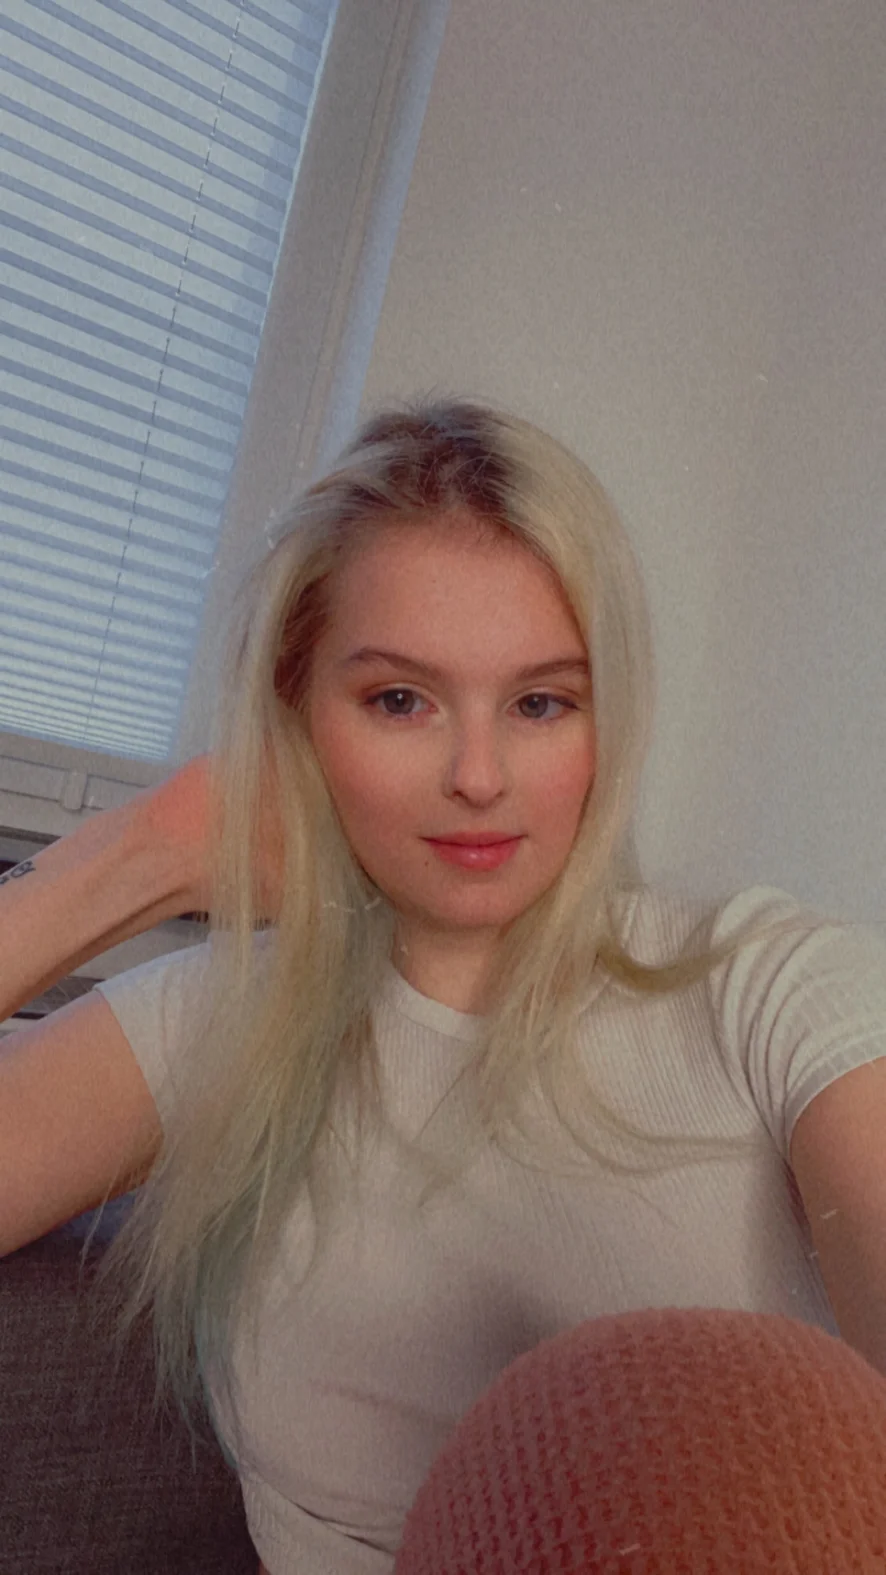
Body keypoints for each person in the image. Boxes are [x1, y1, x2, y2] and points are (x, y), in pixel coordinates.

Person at [1, 399, 885, 1574]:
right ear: (297, 715)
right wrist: (139, 854)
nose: (477, 776)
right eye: (399, 700)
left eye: (540, 702)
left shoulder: (770, 988)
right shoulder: (216, 1021)